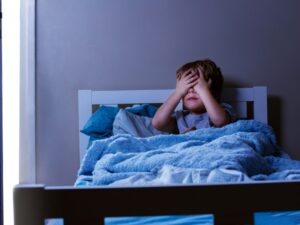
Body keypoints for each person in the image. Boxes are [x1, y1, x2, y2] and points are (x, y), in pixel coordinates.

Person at [152, 59, 236, 134]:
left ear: (215, 92)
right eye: (187, 87)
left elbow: (220, 122)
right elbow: (157, 123)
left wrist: (203, 91)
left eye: (197, 86)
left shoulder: (223, 110)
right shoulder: (180, 118)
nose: (191, 90)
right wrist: (178, 92)